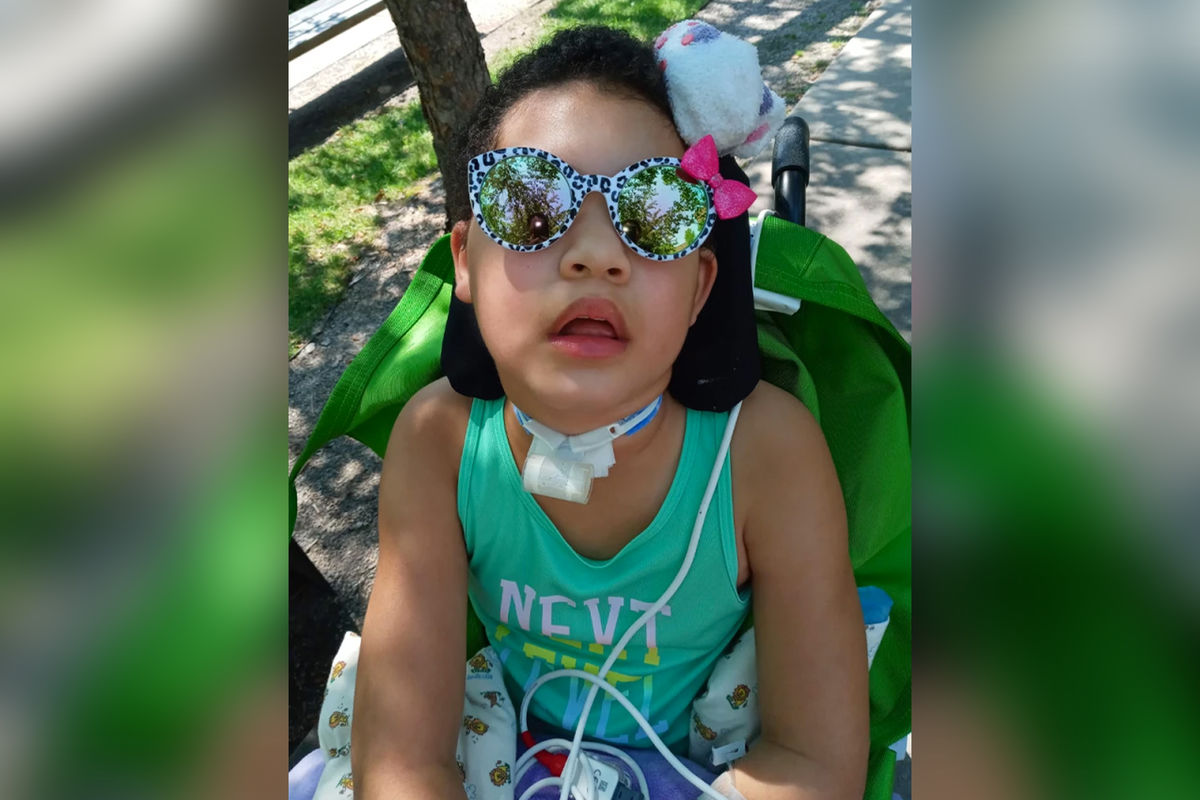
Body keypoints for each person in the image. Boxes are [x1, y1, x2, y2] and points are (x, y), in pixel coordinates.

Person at [349, 25, 868, 800]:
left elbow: (815, 762)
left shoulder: (765, 455)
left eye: (655, 213)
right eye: (530, 203)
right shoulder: (439, 444)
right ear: (464, 263)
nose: (596, 255)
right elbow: (401, 759)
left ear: (700, 287)